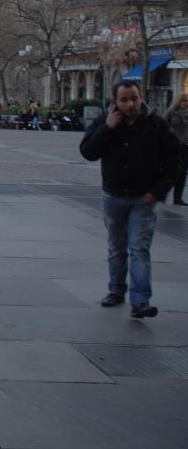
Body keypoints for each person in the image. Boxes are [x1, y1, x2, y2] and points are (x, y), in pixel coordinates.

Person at [80, 80, 179, 319]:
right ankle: (116, 290)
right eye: (124, 100)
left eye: (134, 98)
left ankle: (140, 300)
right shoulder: (106, 120)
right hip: (113, 195)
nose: (130, 104)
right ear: (115, 101)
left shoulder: (157, 123)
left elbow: (174, 161)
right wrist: (107, 128)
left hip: (143, 198)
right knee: (117, 247)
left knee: (139, 248)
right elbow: (88, 152)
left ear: (141, 97)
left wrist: (157, 192)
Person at [166, 92, 188, 206]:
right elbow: (163, 127)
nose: (185, 103)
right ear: (178, 102)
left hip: (185, 146)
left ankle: (178, 198)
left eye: (187, 101)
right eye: (183, 101)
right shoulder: (171, 113)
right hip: (173, 146)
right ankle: (162, 192)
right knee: (174, 171)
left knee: (183, 172)